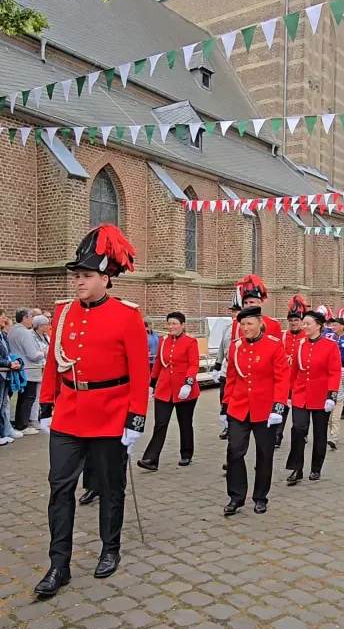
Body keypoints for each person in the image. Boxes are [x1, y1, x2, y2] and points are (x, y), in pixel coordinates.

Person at [34, 224, 150, 597]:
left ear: (105, 278)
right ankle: (58, 565)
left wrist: (135, 418)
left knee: (110, 488)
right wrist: (47, 406)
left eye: (86, 276)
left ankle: (109, 548)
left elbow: (139, 372)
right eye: (78, 276)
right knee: (60, 489)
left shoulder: (127, 315)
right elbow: (54, 363)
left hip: (110, 415)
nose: (79, 283)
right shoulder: (63, 312)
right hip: (69, 412)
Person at [221, 307, 289, 515]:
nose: (245, 328)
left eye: (249, 324)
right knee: (234, 451)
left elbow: (282, 378)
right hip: (239, 407)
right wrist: (225, 407)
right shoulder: (236, 347)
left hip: (265, 410)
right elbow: (231, 377)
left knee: (264, 453)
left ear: (260, 323)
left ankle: (260, 496)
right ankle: (236, 497)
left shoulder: (274, 346)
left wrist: (278, 407)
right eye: (242, 324)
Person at [138, 312, 200, 471]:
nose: (171, 327)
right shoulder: (163, 340)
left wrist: (188, 383)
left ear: (182, 325)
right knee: (160, 423)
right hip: (164, 388)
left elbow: (194, 364)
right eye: (169, 324)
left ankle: (186, 453)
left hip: (184, 389)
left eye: (174, 324)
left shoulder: (190, 341)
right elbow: (159, 361)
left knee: (185, 423)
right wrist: (151, 383)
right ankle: (151, 458)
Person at [286, 310, 342, 486]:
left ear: (318, 325)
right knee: (298, 430)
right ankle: (296, 468)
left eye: (308, 323)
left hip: (320, 396)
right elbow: (293, 371)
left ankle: (316, 467)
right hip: (300, 395)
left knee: (319, 433)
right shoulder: (300, 345)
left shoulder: (330, 346)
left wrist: (331, 396)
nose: (304, 326)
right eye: (304, 323)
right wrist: (288, 393)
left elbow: (334, 372)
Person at [276, 295, 308, 448]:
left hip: (300, 382)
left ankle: (302, 433)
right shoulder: (283, 336)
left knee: (300, 412)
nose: (294, 323)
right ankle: (277, 435)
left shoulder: (307, 337)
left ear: (302, 321)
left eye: (296, 320)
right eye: (291, 321)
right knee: (280, 409)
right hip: (284, 381)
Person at [8, 308, 45, 435]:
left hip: (21, 368)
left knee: (22, 398)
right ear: (24, 318)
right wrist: (43, 353)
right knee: (28, 398)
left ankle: (19, 422)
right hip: (29, 369)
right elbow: (32, 355)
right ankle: (23, 424)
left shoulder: (12, 330)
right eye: (31, 317)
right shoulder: (25, 333)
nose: (32, 320)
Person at [211, 290, 242, 442]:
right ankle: (227, 424)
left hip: (240, 370)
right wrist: (217, 366)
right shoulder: (228, 328)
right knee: (224, 397)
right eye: (233, 311)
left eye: (237, 311)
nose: (234, 314)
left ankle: (236, 425)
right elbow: (222, 348)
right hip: (226, 369)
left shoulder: (247, 327)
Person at [231, 274, 282, 340]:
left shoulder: (273, 325)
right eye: (245, 303)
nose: (248, 306)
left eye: (252, 302)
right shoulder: (236, 324)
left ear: (260, 303)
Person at [0, 310, 22, 445]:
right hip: (2, 372)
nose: (4, 318)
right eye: (1, 316)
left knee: (3, 404)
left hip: (5, 374)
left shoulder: (3, 335)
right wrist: (8, 363)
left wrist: (13, 361)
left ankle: (3, 432)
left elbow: (7, 353)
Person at [29, 314, 50, 428]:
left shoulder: (45, 337)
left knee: (41, 394)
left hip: (45, 367)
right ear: (39, 326)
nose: (47, 327)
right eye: (45, 325)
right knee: (35, 395)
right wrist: (44, 353)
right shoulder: (32, 336)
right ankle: (33, 419)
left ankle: (38, 415)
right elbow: (36, 351)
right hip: (37, 367)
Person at [327, 366, 344, 451]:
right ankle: (332, 434)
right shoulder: (326, 369)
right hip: (328, 399)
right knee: (330, 420)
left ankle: (334, 438)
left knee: (335, 419)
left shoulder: (342, 371)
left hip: (339, 400)